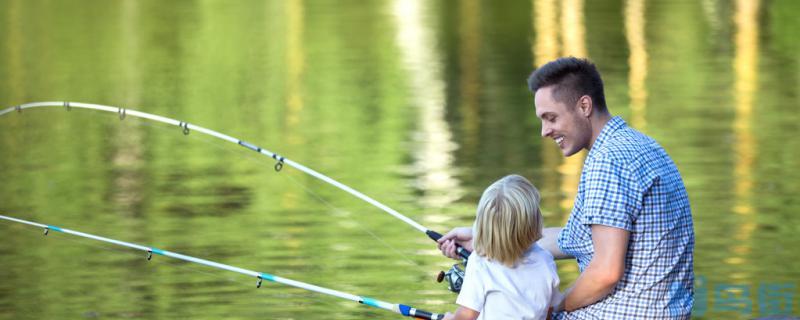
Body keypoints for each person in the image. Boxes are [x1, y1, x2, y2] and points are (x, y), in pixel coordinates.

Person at [439, 57, 695, 319]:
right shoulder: (640, 145)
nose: (544, 131)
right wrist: (489, 238)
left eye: (551, 118)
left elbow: (606, 273)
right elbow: (576, 240)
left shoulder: (608, 162)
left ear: (584, 105)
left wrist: (556, 306)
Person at [443, 174, 561, 320]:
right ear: (535, 223)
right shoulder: (546, 260)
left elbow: (466, 316)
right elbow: (549, 312)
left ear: (482, 227)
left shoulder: (480, 262)